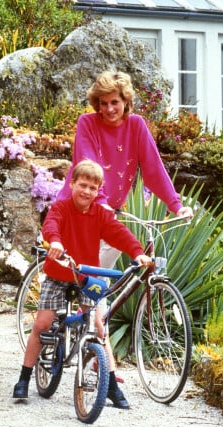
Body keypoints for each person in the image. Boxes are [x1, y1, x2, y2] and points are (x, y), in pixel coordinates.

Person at [55, 71, 194, 408]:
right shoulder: (87, 124)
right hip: (83, 209)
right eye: (102, 103)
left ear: (125, 100)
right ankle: (100, 360)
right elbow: (86, 163)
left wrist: (175, 205)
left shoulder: (137, 127)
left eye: (114, 102)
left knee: (104, 288)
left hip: (109, 214)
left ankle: (94, 347)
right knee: (93, 291)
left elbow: (154, 168)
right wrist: (99, 203)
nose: (108, 109)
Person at [12, 159, 152, 406]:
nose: (87, 191)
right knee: (42, 323)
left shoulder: (100, 214)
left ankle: (109, 386)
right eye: (83, 185)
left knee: (99, 326)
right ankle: (24, 377)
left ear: (98, 192)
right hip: (58, 273)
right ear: (72, 183)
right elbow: (50, 226)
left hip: (85, 277)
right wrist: (54, 242)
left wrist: (137, 252)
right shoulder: (61, 208)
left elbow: (119, 233)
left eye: (93, 188)